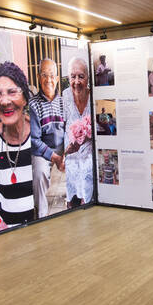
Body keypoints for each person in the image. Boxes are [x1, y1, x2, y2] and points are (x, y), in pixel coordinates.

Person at [0, 61, 33, 228]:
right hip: (7, 230)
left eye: (12, 92)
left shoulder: (38, 134)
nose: (5, 101)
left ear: (25, 98)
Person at [28, 59, 65, 219]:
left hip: (63, 147)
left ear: (57, 78)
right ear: (38, 77)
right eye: (44, 75)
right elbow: (34, 140)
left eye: (51, 75)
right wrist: (54, 156)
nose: (48, 79)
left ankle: (77, 201)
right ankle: (41, 215)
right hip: (42, 150)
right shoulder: (33, 105)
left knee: (80, 160)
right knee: (39, 172)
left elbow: (70, 133)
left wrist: (66, 154)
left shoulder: (64, 103)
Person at [63, 57, 93, 207]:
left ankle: (86, 200)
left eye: (81, 76)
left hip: (89, 147)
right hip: (71, 147)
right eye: (72, 77)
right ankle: (72, 199)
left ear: (88, 77)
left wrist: (86, 137)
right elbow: (62, 124)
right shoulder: (65, 95)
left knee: (88, 167)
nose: (76, 82)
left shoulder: (94, 96)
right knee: (72, 165)